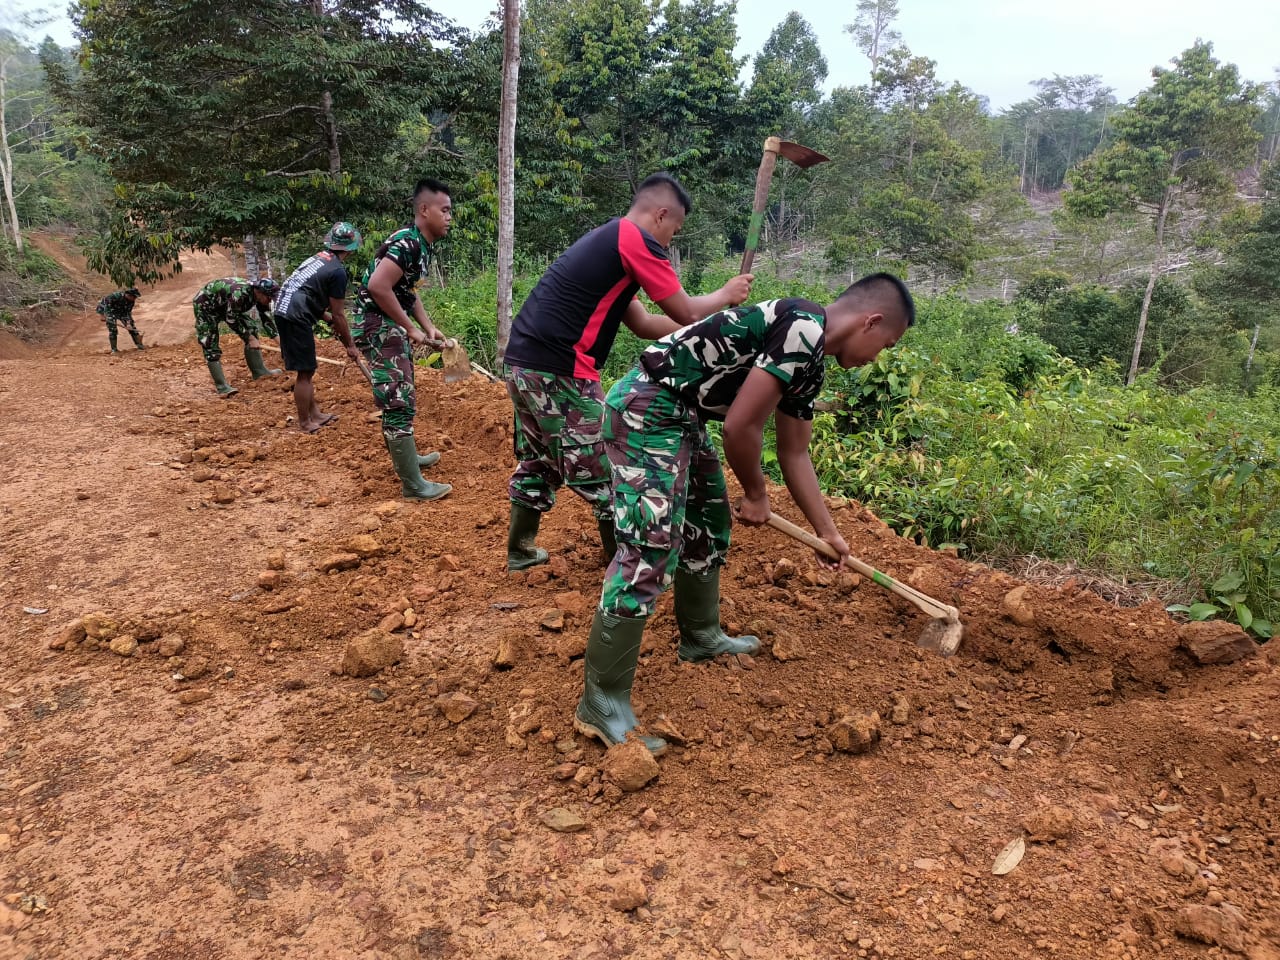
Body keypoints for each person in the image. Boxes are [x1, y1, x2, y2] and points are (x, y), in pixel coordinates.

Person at [574, 273, 916, 756]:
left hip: (682, 413)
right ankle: (601, 702)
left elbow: (795, 453)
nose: (879, 356)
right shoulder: (803, 328)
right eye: (888, 343)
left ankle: (701, 636)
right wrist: (756, 492)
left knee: (709, 524)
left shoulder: (811, 361)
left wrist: (828, 531)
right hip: (646, 406)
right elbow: (740, 426)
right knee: (649, 547)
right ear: (872, 321)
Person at [501, 172, 753, 572]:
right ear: (661, 214)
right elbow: (685, 310)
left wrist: (705, 330)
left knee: (541, 460)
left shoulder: (610, 245)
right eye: (675, 230)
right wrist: (727, 296)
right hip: (560, 370)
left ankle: (520, 550)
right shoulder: (635, 240)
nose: (670, 240)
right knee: (611, 467)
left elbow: (645, 324)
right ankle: (622, 566)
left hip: (523, 364)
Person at [350, 178, 454, 502]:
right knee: (397, 396)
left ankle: (409, 461)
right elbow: (379, 286)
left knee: (402, 392)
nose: (450, 217)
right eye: (445, 210)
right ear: (424, 210)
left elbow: (406, 291)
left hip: (385, 322)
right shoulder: (408, 243)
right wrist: (410, 328)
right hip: (376, 324)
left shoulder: (421, 246)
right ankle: (413, 485)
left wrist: (428, 325)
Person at [273, 222, 369, 434]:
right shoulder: (337, 272)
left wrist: (327, 320)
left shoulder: (319, 259)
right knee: (305, 371)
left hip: (287, 309)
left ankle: (315, 414)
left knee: (307, 369)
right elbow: (339, 314)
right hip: (294, 315)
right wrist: (350, 345)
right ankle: (305, 422)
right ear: (351, 248)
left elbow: (309, 294)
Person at [194, 277, 282, 396]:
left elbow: (266, 319)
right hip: (206, 306)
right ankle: (222, 387)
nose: (270, 301)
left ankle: (260, 372)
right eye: (269, 298)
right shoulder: (239, 294)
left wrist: (281, 344)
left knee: (251, 329)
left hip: (227, 307)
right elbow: (231, 319)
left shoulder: (260, 298)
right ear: (259, 292)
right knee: (210, 343)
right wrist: (250, 339)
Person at [96, 287, 143, 354]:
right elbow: (104, 304)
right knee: (113, 329)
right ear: (129, 295)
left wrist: (128, 323)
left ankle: (140, 345)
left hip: (122, 313)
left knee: (132, 328)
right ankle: (114, 350)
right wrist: (102, 315)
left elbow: (127, 313)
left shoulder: (131, 301)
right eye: (134, 297)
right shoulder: (115, 296)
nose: (135, 298)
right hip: (110, 311)